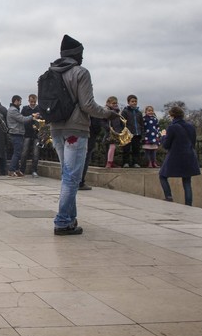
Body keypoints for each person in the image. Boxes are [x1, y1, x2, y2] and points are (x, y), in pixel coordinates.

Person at [46, 35, 120, 236]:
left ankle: (70, 219)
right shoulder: (81, 73)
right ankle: (62, 221)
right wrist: (108, 113)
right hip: (76, 130)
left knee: (67, 175)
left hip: (56, 129)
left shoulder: (51, 72)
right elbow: (87, 105)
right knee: (72, 178)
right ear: (77, 54)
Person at [158, 105, 201, 205]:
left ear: (172, 115)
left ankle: (168, 196)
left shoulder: (172, 127)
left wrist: (163, 136)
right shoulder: (190, 126)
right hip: (189, 156)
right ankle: (188, 204)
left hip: (175, 157)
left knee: (162, 176)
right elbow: (193, 142)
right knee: (187, 181)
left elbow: (166, 145)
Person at [7, 95, 35, 177]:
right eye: (20, 101)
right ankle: (11, 170)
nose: (20, 103)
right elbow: (22, 119)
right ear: (16, 101)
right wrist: (32, 116)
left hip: (17, 133)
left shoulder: (14, 109)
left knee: (18, 153)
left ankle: (16, 170)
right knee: (17, 153)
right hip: (16, 133)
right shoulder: (13, 110)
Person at [21, 94, 42, 177]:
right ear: (28, 101)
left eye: (34, 101)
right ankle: (22, 170)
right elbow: (22, 119)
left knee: (36, 153)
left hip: (37, 134)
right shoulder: (25, 109)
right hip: (27, 133)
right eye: (31, 101)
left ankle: (34, 170)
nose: (33, 103)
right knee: (24, 153)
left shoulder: (39, 109)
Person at [121, 94, 143, 168]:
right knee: (126, 149)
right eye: (132, 101)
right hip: (127, 134)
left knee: (136, 149)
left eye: (135, 101)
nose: (134, 103)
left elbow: (141, 123)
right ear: (128, 102)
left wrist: (142, 132)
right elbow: (122, 122)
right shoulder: (125, 112)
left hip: (137, 134)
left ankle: (135, 162)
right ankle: (126, 162)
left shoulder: (139, 113)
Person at [103, 96, 122, 168]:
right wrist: (108, 128)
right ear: (108, 103)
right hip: (109, 132)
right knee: (111, 147)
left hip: (116, 132)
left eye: (116, 103)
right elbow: (103, 121)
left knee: (113, 148)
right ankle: (109, 162)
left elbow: (119, 122)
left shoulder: (117, 112)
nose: (115, 104)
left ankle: (111, 161)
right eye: (113, 103)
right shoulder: (106, 111)